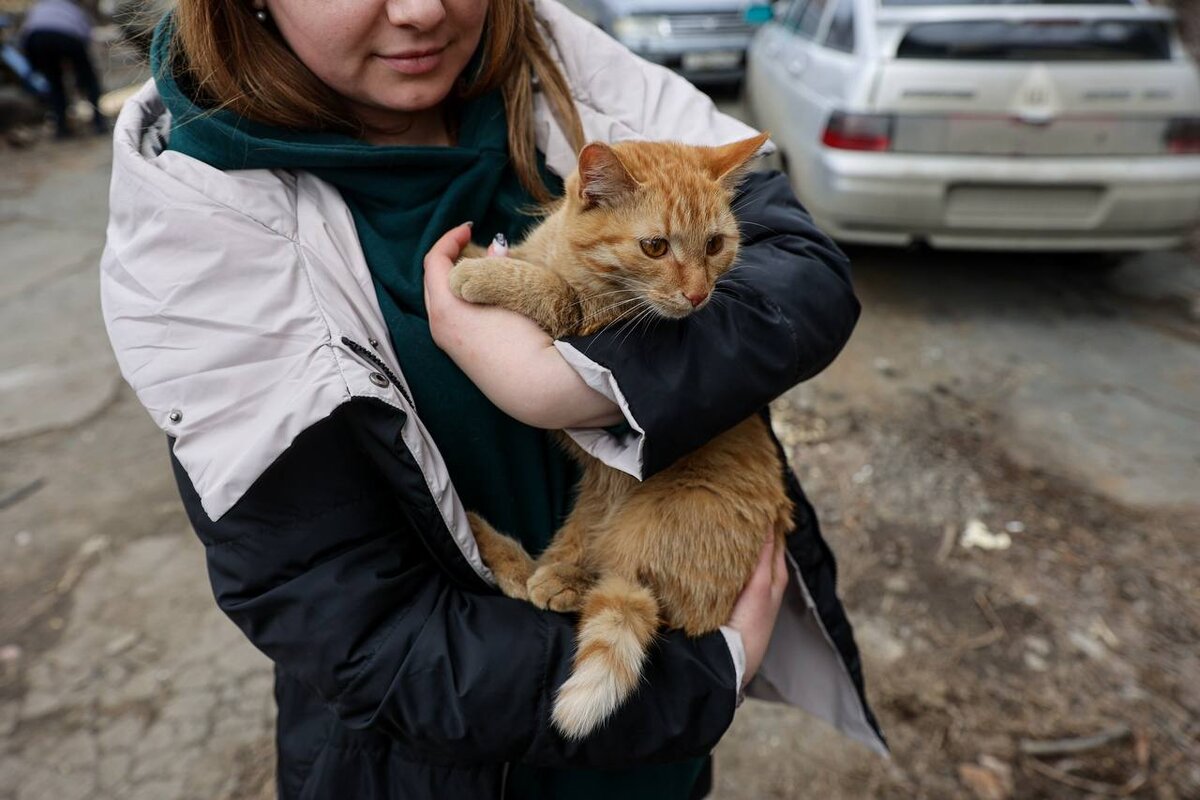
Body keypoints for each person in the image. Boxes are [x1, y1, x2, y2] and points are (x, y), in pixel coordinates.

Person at [99, 0, 887, 796]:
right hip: (442, 759)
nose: (422, 11)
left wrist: (575, 386)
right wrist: (699, 682)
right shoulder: (196, 217)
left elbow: (804, 266)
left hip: (656, 739)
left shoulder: (561, 58)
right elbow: (351, 621)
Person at [20, 0, 105, 138]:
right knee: (88, 80)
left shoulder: (39, 6)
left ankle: (61, 128)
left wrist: (34, 64)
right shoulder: (73, 8)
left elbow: (25, 33)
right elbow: (86, 35)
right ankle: (98, 122)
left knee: (55, 83)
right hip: (68, 37)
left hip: (36, 38)